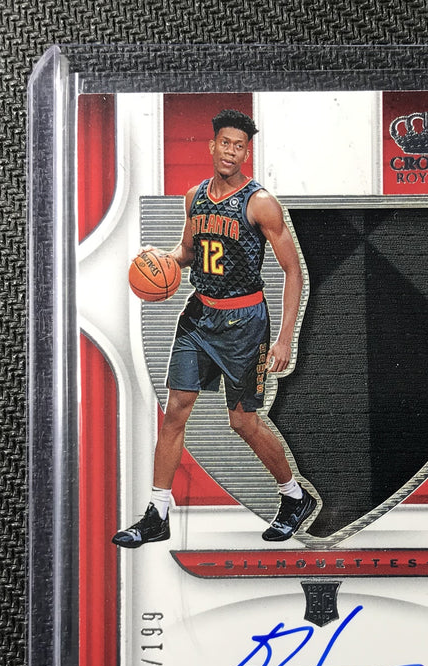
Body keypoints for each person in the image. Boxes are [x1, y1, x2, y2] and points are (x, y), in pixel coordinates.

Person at [113, 109, 317, 548]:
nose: (230, 151)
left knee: (243, 422)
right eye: (225, 143)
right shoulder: (195, 197)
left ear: (247, 153)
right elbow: (188, 252)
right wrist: (161, 260)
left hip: (246, 325)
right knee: (175, 411)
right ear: (212, 146)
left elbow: (293, 271)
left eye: (239, 146)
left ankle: (294, 496)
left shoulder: (260, 203)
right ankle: (157, 513)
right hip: (199, 317)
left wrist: (285, 338)